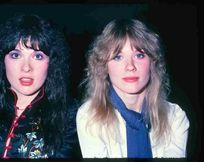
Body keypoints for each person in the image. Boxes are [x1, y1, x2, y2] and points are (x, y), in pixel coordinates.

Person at [0, 13, 81, 159]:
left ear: (52, 62)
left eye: (38, 56)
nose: (26, 68)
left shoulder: (72, 117)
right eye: (16, 55)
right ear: (2, 60)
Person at [76, 18, 190, 158]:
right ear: (104, 67)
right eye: (118, 57)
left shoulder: (175, 117)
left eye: (139, 55)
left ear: (152, 63)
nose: (130, 66)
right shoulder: (90, 116)